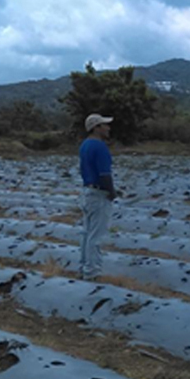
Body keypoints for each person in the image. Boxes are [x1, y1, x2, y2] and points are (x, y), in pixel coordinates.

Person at [79, 113, 117, 280]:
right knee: (96, 236)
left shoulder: (85, 145)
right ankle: (93, 273)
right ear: (96, 128)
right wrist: (112, 192)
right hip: (99, 195)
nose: (108, 128)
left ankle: (84, 267)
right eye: (104, 125)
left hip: (87, 192)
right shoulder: (100, 147)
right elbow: (104, 174)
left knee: (87, 234)